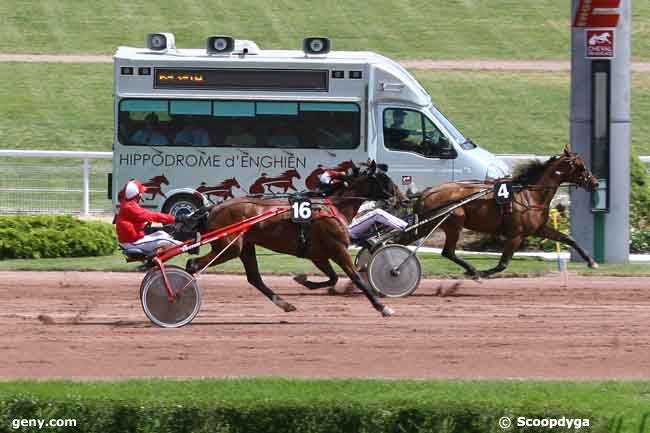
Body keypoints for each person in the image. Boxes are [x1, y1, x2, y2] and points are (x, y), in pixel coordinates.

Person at [115, 179, 184, 255]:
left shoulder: (127, 203)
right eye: (141, 193)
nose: (142, 194)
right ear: (137, 195)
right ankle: (187, 247)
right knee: (164, 240)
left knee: (161, 234)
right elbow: (152, 216)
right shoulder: (130, 207)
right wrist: (175, 219)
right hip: (133, 243)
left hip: (133, 240)